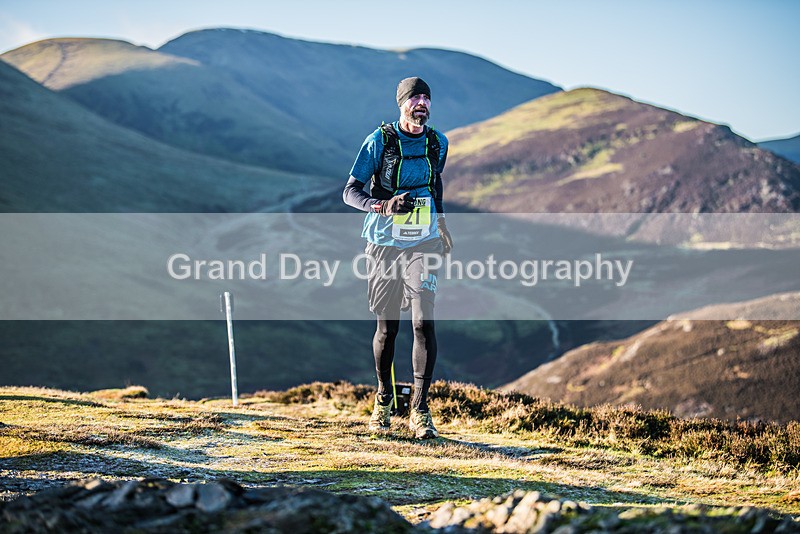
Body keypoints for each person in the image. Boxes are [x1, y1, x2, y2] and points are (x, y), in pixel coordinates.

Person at [343, 77, 453, 439]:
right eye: (414, 98)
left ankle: (420, 412)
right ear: (402, 104)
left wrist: (441, 222)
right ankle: (383, 402)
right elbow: (350, 192)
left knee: (424, 322)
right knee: (387, 328)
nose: (421, 103)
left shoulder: (437, 142)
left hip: (424, 241)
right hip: (383, 242)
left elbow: (434, 184)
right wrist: (384, 205)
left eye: (426, 98)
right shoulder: (380, 141)